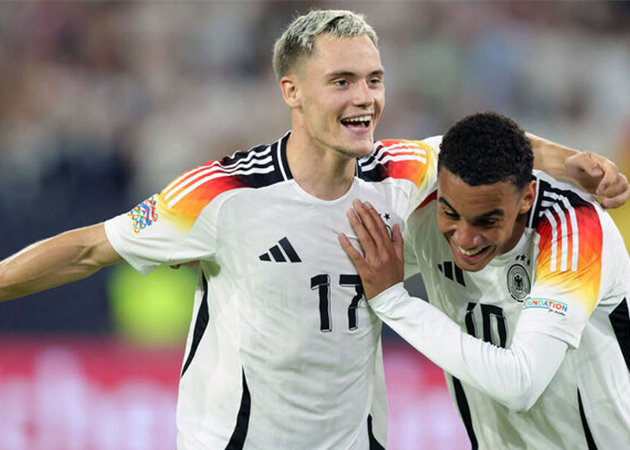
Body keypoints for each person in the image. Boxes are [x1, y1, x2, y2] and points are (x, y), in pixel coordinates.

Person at [0, 10, 628, 450]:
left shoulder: (402, 171)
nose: (365, 98)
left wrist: (570, 161)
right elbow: (87, 249)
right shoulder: (223, 193)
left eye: (374, 80)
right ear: (292, 91)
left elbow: (485, 145)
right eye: (342, 82)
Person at [340, 111, 630, 449]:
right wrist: (564, 160)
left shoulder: (574, 230)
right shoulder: (423, 194)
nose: (465, 239)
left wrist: (394, 302)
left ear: (526, 197)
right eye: (450, 213)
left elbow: (521, 384)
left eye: (486, 221)